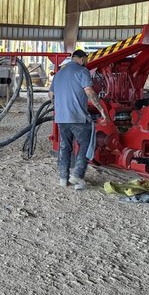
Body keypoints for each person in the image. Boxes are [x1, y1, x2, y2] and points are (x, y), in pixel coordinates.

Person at [48, 49, 110, 190]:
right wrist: (101, 110)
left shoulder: (59, 73)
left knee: (65, 146)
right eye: (86, 60)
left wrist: (61, 106)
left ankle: (63, 178)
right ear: (82, 59)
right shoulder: (82, 71)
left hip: (61, 118)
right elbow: (89, 92)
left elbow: (51, 94)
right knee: (86, 144)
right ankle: (77, 175)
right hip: (77, 117)